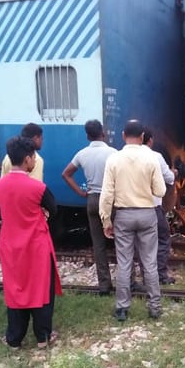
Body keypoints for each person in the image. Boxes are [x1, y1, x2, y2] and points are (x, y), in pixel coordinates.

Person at [0, 136, 61, 349]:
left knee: (15, 289)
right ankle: (42, 337)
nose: (34, 160)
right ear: (27, 160)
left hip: (10, 245)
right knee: (41, 289)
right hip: (36, 245)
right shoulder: (37, 187)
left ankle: (14, 339)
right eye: (33, 157)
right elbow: (53, 208)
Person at [99, 119, 166, 321]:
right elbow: (160, 191)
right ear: (143, 137)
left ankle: (122, 308)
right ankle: (154, 307)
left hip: (124, 215)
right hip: (147, 214)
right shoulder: (151, 158)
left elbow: (107, 194)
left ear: (123, 135)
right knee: (149, 262)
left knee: (124, 263)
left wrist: (106, 221)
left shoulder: (114, 159)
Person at [62, 119, 117, 295]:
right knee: (121, 241)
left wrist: (80, 192)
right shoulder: (113, 153)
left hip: (92, 200)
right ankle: (127, 281)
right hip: (110, 200)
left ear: (87, 136)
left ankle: (104, 285)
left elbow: (66, 174)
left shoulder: (82, 154)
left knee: (98, 244)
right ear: (103, 133)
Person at [142, 127, 176, 284]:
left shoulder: (121, 156)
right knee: (162, 239)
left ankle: (145, 276)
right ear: (150, 140)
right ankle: (160, 275)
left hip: (131, 208)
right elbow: (170, 178)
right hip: (153, 207)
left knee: (141, 243)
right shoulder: (156, 157)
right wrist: (173, 172)